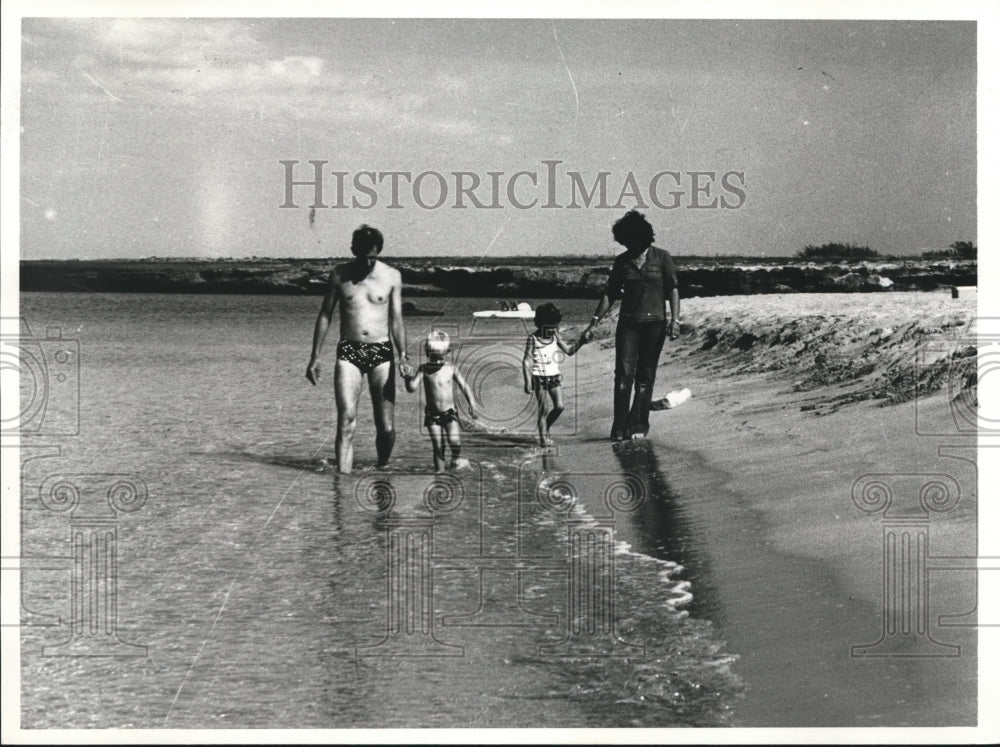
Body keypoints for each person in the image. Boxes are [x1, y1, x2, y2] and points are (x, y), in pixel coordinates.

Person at [305, 224, 411, 473]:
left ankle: (383, 469)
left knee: (385, 427)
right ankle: (342, 484)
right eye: (364, 258)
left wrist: (403, 355)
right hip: (349, 352)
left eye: (373, 257)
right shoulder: (339, 275)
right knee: (346, 421)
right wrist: (315, 357)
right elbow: (325, 315)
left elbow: (397, 320)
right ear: (354, 251)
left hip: (381, 352)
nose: (368, 263)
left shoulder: (391, 276)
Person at [580, 211, 680, 441]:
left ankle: (638, 427)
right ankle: (619, 428)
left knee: (645, 377)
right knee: (623, 376)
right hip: (628, 325)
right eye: (623, 241)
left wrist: (675, 320)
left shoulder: (662, 258)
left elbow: (673, 289)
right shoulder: (621, 262)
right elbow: (610, 293)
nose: (625, 244)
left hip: (655, 325)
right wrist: (593, 323)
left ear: (641, 237)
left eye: (628, 240)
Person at [403, 330, 477, 472]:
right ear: (427, 352)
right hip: (432, 414)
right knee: (438, 445)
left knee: (455, 441)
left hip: (449, 413)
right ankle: (440, 473)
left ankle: (455, 459)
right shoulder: (423, 369)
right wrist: (407, 377)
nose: (436, 361)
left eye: (439, 357)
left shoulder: (451, 368)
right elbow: (412, 388)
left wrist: (472, 404)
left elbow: (465, 387)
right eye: (433, 356)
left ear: (446, 353)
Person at [522, 302, 585, 446]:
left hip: (554, 377)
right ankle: (543, 439)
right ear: (540, 324)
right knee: (543, 409)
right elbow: (526, 360)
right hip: (538, 377)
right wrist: (527, 381)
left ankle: (545, 428)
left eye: (555, 327)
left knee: (559, 406)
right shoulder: (533, 338)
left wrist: (581, 342)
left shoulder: (555, 336)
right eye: (550, 327)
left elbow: (569, 351)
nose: (553, 330)